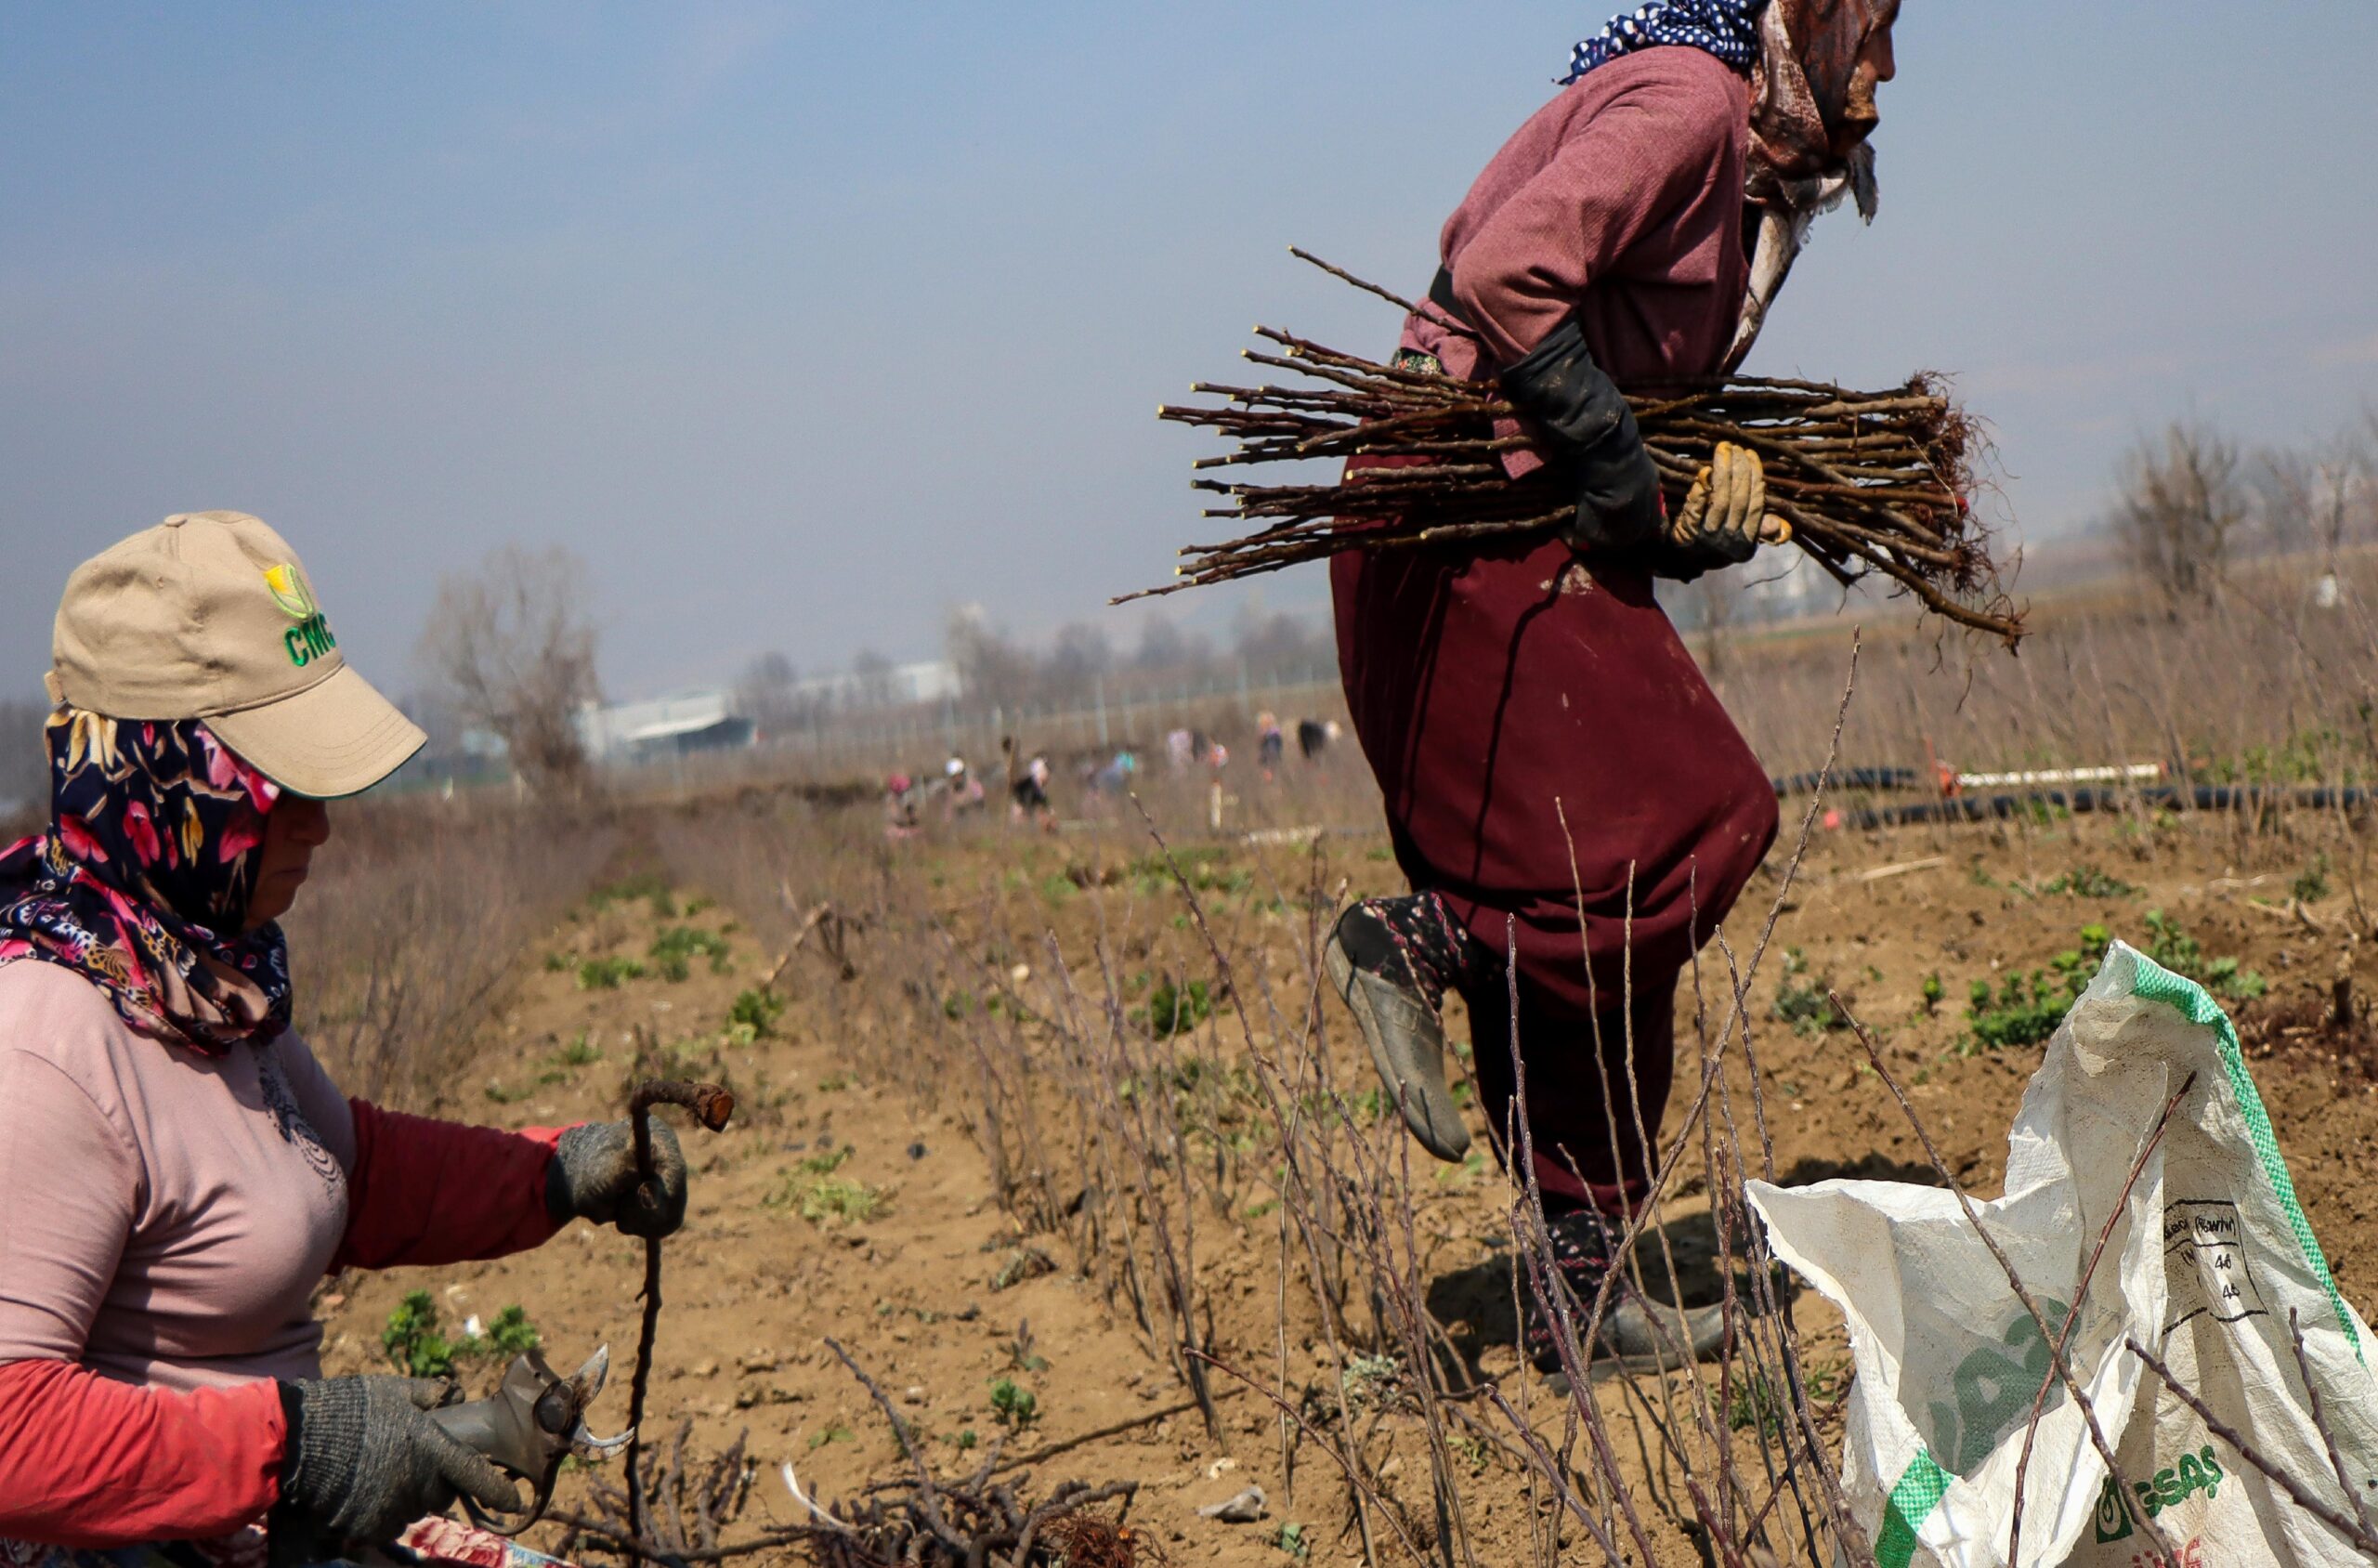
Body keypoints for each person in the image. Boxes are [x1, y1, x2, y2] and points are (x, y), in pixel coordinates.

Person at [1323, 0, 1898, 1369]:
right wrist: (1624, 474)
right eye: (1864, 29)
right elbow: (1503, 270)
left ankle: (1582, 1289)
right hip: (1450, 521)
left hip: (1507, 523)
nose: (1879, 78)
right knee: (1703, 819)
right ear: (1791, 18)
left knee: (1608, 922)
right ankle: (1425, 942)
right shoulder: (1692, 105)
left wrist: (1678, 527)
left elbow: (1612, 447)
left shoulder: (1755, 201)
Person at [0, 514, 692, 1561]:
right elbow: (11, 1435)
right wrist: (298, 1444)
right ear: (168, 784)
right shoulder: (49, 1043)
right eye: (281, 790)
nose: (319, 824)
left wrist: (558, 1171)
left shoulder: (198, 983)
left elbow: (346, 1172)